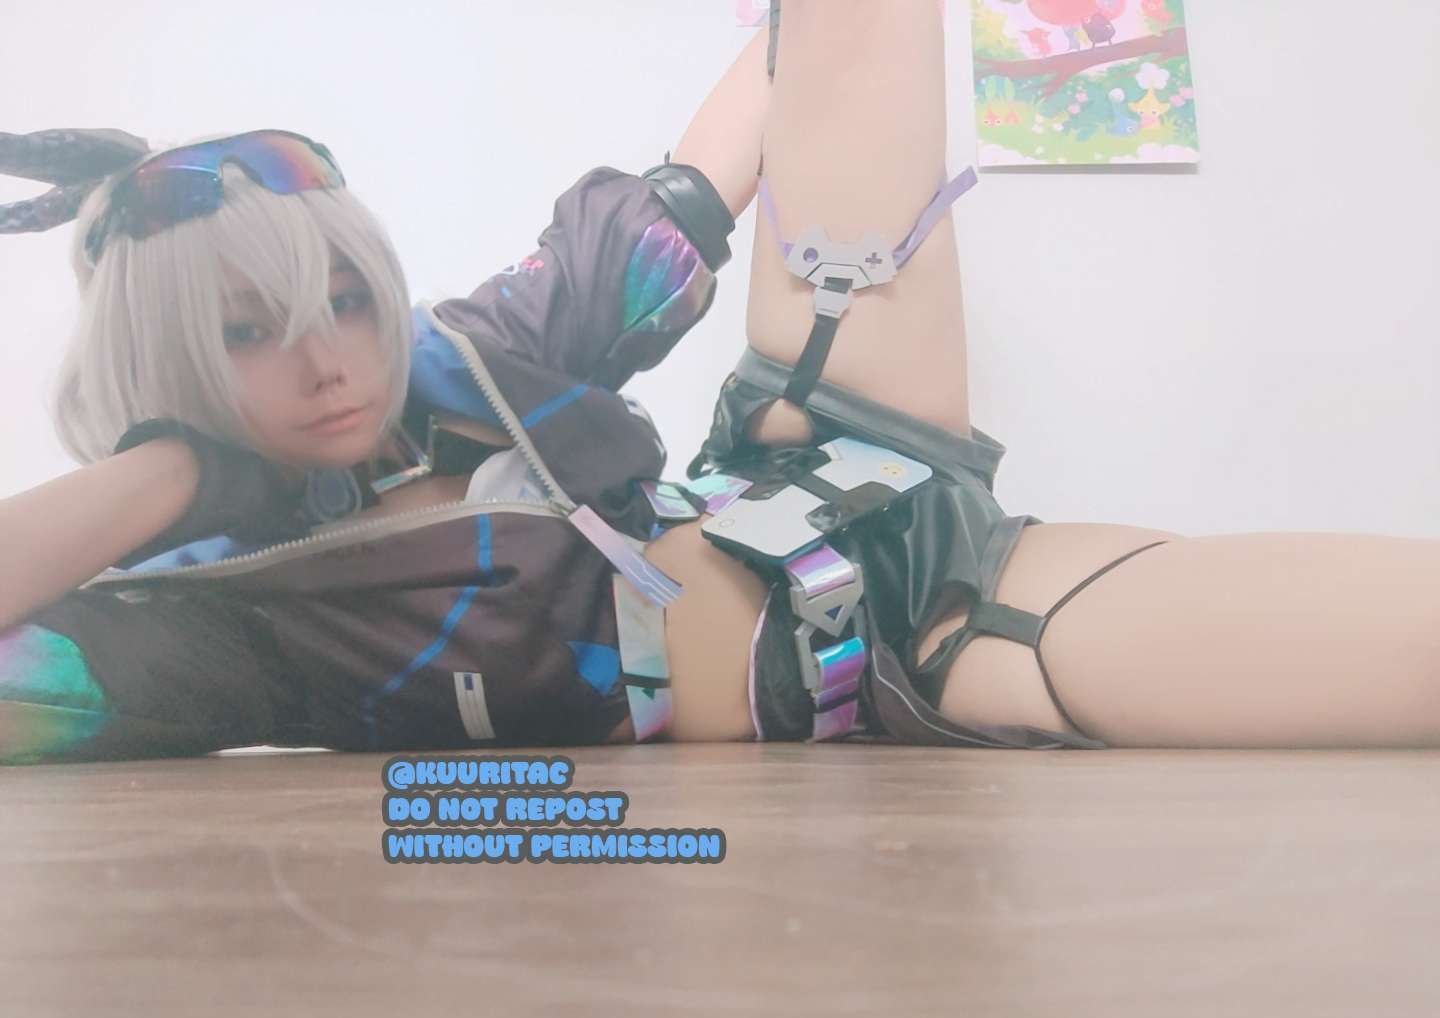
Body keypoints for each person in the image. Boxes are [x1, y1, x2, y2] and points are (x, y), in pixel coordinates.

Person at [2, 1, 1436, 768]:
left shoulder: (467, 352)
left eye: (347, 297)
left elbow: (683, 199)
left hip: (831, 433)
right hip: (922, 644)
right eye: (246, 333)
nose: (329, 358)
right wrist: (183, 469)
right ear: (165, 367)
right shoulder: (212, 615)